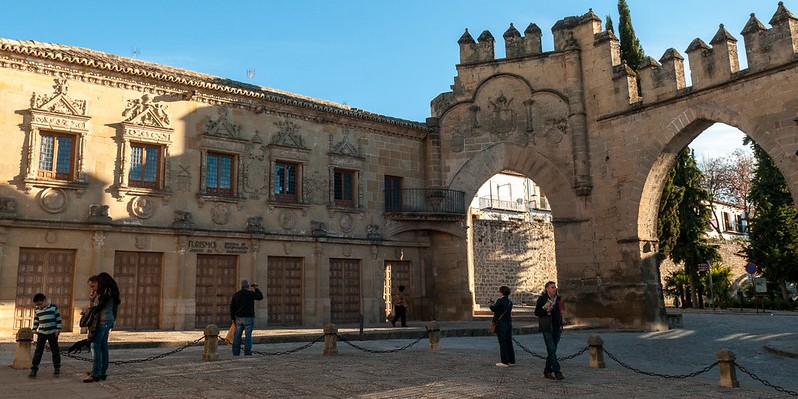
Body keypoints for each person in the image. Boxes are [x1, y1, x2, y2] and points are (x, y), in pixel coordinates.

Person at [85, 272, 121, 383]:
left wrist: (93, 299)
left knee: (95, 346)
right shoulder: (112, 291)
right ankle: (102, 371)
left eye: (93, 286)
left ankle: (96, 373)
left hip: (102, 321)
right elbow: (114, 309)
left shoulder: (105, 293)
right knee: (103, 346)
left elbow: (97, 308)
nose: (93, 288)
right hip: (108, 320)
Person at [535, 281, 564, 380]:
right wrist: (545, 311)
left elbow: (560, 313)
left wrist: (561, 325)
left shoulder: (558, 299)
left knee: (552, 351)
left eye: (555, 287)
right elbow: (537, 312)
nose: (554, 289)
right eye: (552, 287)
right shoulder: (542, 299)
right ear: (547, 289)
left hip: (557, 327)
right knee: (551, 349)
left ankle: (547, 371)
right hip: (547, 328)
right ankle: (557, 372)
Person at [30, 293, 62, 378]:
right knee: (38, 351)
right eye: (37, 305)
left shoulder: (53, 308)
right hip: (42, 333)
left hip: (52, 332)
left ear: (45, 300)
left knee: (55, 350)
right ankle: (34, 368)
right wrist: (34, 329)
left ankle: (57, 367)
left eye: (40, 304)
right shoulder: (37, 310)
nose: (39, 306)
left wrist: (58, 329)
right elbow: (36, 320)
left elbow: (58, 319)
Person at [230, 280, 264, 356]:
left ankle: (235, 352)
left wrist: (233, 318)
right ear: (248, 286)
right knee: (248, 336)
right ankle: (247, 352)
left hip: (238, 318)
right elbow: (260, 297)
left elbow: (232, 307)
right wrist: (256, 288)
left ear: (241, 286)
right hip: (248, 317)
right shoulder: (250, 294)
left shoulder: (236, 295)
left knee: (237, 336)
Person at [489, 286, 515, 367]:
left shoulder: (500, 301)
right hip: (508, 323)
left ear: (502, 292)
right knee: (509, 342)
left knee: (502, 342)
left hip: (501, 324)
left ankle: (504, 361)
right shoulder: (509, 302)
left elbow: (494, 309)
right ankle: (511, 360)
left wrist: (490, 304)